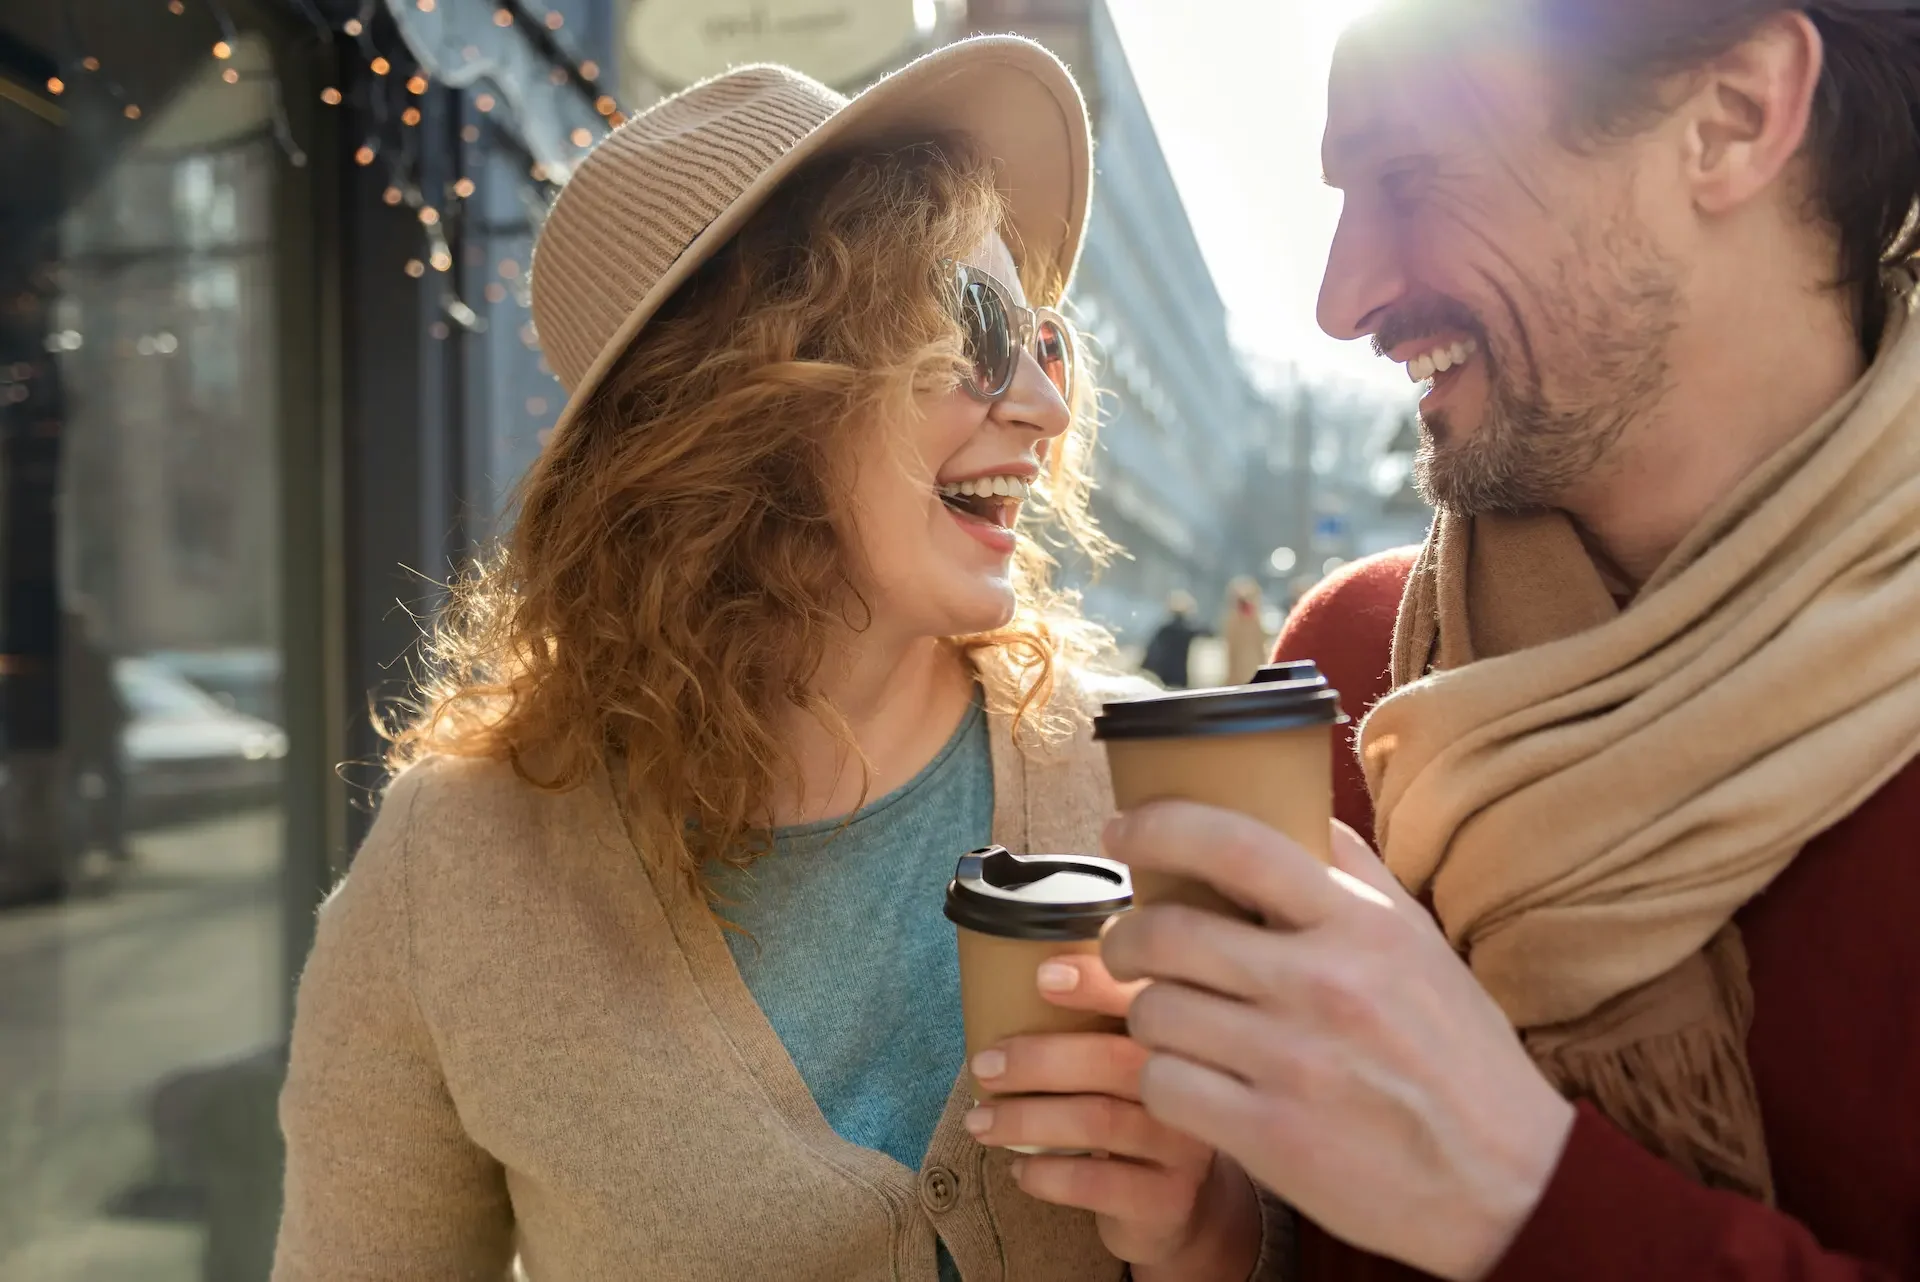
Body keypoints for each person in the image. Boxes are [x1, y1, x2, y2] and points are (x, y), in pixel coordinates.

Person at [273, 39, 1275, 1282]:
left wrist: (1218, 1236)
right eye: (972, 328)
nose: (1045, 407)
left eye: (1045, 339)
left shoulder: (1150, 793)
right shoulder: (450, 877)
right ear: (744, 399)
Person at [1092, 2, 1920, 1280]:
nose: (1341, 297)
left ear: (1735, 118)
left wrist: (1520, 1193)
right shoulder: (1347, 663)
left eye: (1412, 178)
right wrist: (1216, 1237)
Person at [1140, 589, 1209, 688]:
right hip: (1179, 678)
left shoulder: (1164, 629)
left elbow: (1151, 654)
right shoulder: (1188, 629)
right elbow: (1208, 632)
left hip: (1163, 677)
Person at [1221, 576, 1270, 687]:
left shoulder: (1256, 620)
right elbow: (1231, 651)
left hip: (1255, 669)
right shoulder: (1233, 621)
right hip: (1239, 673)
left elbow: (1261, 647)